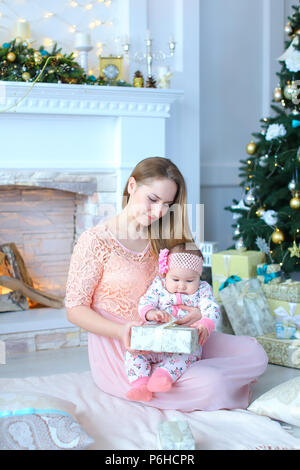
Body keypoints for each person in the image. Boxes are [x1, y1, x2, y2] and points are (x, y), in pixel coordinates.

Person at [65, 156, 268, 412]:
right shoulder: (95, 241)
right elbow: (75, 308)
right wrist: (121, 332)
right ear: (131, 186)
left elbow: (193, 286)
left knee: (254, 352)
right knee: (213, 382)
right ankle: (212, 383)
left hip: (176, 334)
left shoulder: (165, 236)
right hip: (126, 348)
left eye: (167, 204)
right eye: (152, 199)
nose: (159, 211)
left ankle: (195, 375)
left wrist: (197, 314)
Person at [125, 243, 221, 402]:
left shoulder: (202, 290)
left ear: (199, 277)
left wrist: (205, 324)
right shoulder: (159, 286)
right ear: (166, 274)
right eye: (175, 279)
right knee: (134, 353)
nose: (181, 286)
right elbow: (145, 301)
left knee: (189, 355)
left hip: (183, 344)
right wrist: (151, 313)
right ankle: (140, 385)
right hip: (155, 339)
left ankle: (163, 376)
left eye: (190, 280)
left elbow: (212, 308)